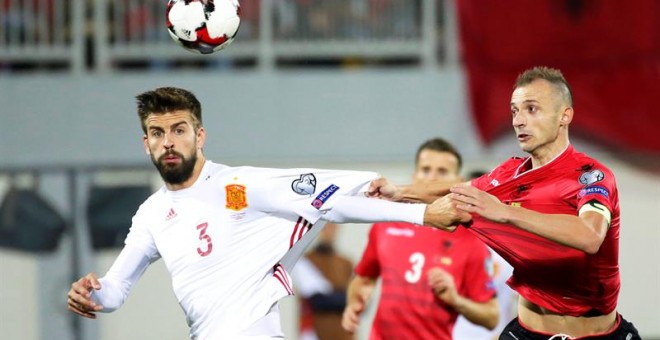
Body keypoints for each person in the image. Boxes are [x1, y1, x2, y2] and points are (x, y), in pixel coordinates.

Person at [65, 87, 467, 339]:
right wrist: (94, 293)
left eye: (179, 130)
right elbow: (117, 287)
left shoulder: (239, 186)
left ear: (199, 136)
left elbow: (329, 201)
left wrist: (422, 215)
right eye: (157, 133)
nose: (168, 142)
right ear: (146, 144)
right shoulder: (151, 214)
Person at [369, 67, 641, 339]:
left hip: (598, 334)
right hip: (527, 331)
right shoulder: (509, 173)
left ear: (564, 115)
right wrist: (398, 191)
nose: (518, 121)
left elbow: (590, 235)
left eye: (531, 109)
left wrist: (505, 212)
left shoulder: (590, 175)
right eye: (514, 111)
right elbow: (459, 191)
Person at [342, 138, 500, 340]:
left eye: (442, 172)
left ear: (457, 181)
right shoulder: (387, 221)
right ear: (414, 175)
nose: (432, 178)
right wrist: (354, 303)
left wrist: (456, 300)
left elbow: (491, 317)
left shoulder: (471, 240)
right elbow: (365, 277)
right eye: (425, 169)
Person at [453, 170, 518, 340]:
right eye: (465, 198)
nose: (471, 205)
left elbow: (528, 302)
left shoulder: (510, 251)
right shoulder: (446, 244)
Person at [292, 222, 353, 340]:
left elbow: (360, 302)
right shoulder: (307, 261)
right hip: (316, 332)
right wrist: (345, 298)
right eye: (325, 227)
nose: (329, 231)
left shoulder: (346, 263)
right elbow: (318, 301)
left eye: (333, 226)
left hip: (343, 333)